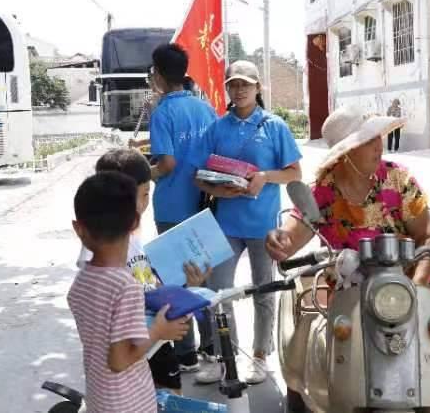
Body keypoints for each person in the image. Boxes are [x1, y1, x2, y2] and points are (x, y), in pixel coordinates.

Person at [190, 60, 303, 385]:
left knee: (263, 291)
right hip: (226, 224)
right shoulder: (217, 127)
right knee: (217, 293)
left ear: (258, 88)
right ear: (227, 89)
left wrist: (265, 177)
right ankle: (224, 357)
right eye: (233, 85)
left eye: (245, 84)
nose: (238, 90)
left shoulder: (274, 126)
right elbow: (197, 176)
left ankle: (259, 356)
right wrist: (218, 191)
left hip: (264, 226)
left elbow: (295, 173)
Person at [265, 104, 430, 289]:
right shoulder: (322, 191)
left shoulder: (399, 180)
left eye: (378, 137)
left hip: (407, 287)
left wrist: (418, 285)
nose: (379, 146)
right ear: (346, 153)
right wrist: (279, 240)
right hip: (350, 295)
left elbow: (428, 236)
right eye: (368, 140)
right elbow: (291, 237)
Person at [75, 148, 207, 395]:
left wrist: (185, 286)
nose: (146, 203)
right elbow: (110, 341)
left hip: (155, 342)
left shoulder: (131, 239)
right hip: (134, 347)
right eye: (144, 194)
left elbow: (149, 284)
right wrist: (156, 330)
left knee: (169, 400)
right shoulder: (101, 254)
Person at [68, 171, 187, 413]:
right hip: (129, 402)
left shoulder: (81, 281)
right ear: (134, 222)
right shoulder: (125, 286)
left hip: (99, 395)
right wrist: (158, 332)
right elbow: (119, 360)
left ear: (78, 228)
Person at [131, 44, 217, 371]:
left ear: (158, 74)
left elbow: (166, 163)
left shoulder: (162, 111)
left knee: (177, 281)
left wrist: (143, 174)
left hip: (171, 207)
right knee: (203, 276)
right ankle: (213, 347)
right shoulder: (204, 108)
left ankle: (187, 354)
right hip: (203, 201)